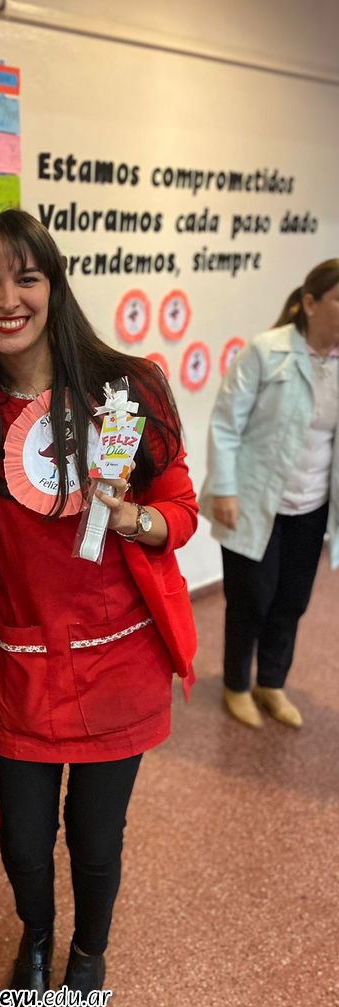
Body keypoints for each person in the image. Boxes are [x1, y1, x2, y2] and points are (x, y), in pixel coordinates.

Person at [0, 210, 198, 1007]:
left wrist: (136, 519)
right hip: (20, 664)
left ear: (54, 285)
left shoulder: (127, 389)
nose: (8, 300)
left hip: (118, 661)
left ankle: (87, 963)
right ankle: (35, 940)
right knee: (23, 840)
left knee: (95, 838)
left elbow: (180, 507)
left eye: (26, 278)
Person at [201, 259, 339, 729]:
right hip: (254, 501)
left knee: (292, 601)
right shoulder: (266, 350)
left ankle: (271, 683)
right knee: (251, 600)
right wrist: (225, 488)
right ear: (310, 303)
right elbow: (226, 423)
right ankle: (237, 685)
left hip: (312, 504)